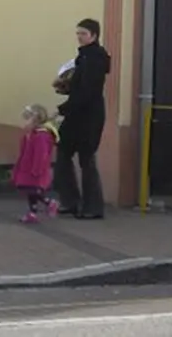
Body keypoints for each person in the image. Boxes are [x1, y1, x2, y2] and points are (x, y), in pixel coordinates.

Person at [54, 18, 111, 219]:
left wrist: (63, 108)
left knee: (86, 159)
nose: (79, 37)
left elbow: (88, 91)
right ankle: (70, 201)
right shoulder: (83, 57)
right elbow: (79, 86)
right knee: (62, 153)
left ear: (94, 35)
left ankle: (93, 207)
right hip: (76, 113)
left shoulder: (96, 58)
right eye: (78, 33)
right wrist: (66, 86)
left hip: (89, 115)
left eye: (83, 34)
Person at [10, 104, 60, 223]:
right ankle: (32, 212)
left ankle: (49, 203)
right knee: (29, 190)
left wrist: (37, 169)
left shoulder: (41, 136)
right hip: (26, 167)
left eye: (28, 119)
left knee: (35, 190)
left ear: (36, 119)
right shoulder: (32, 134)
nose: (25, 122)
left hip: (35, 169)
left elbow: (41, 154)